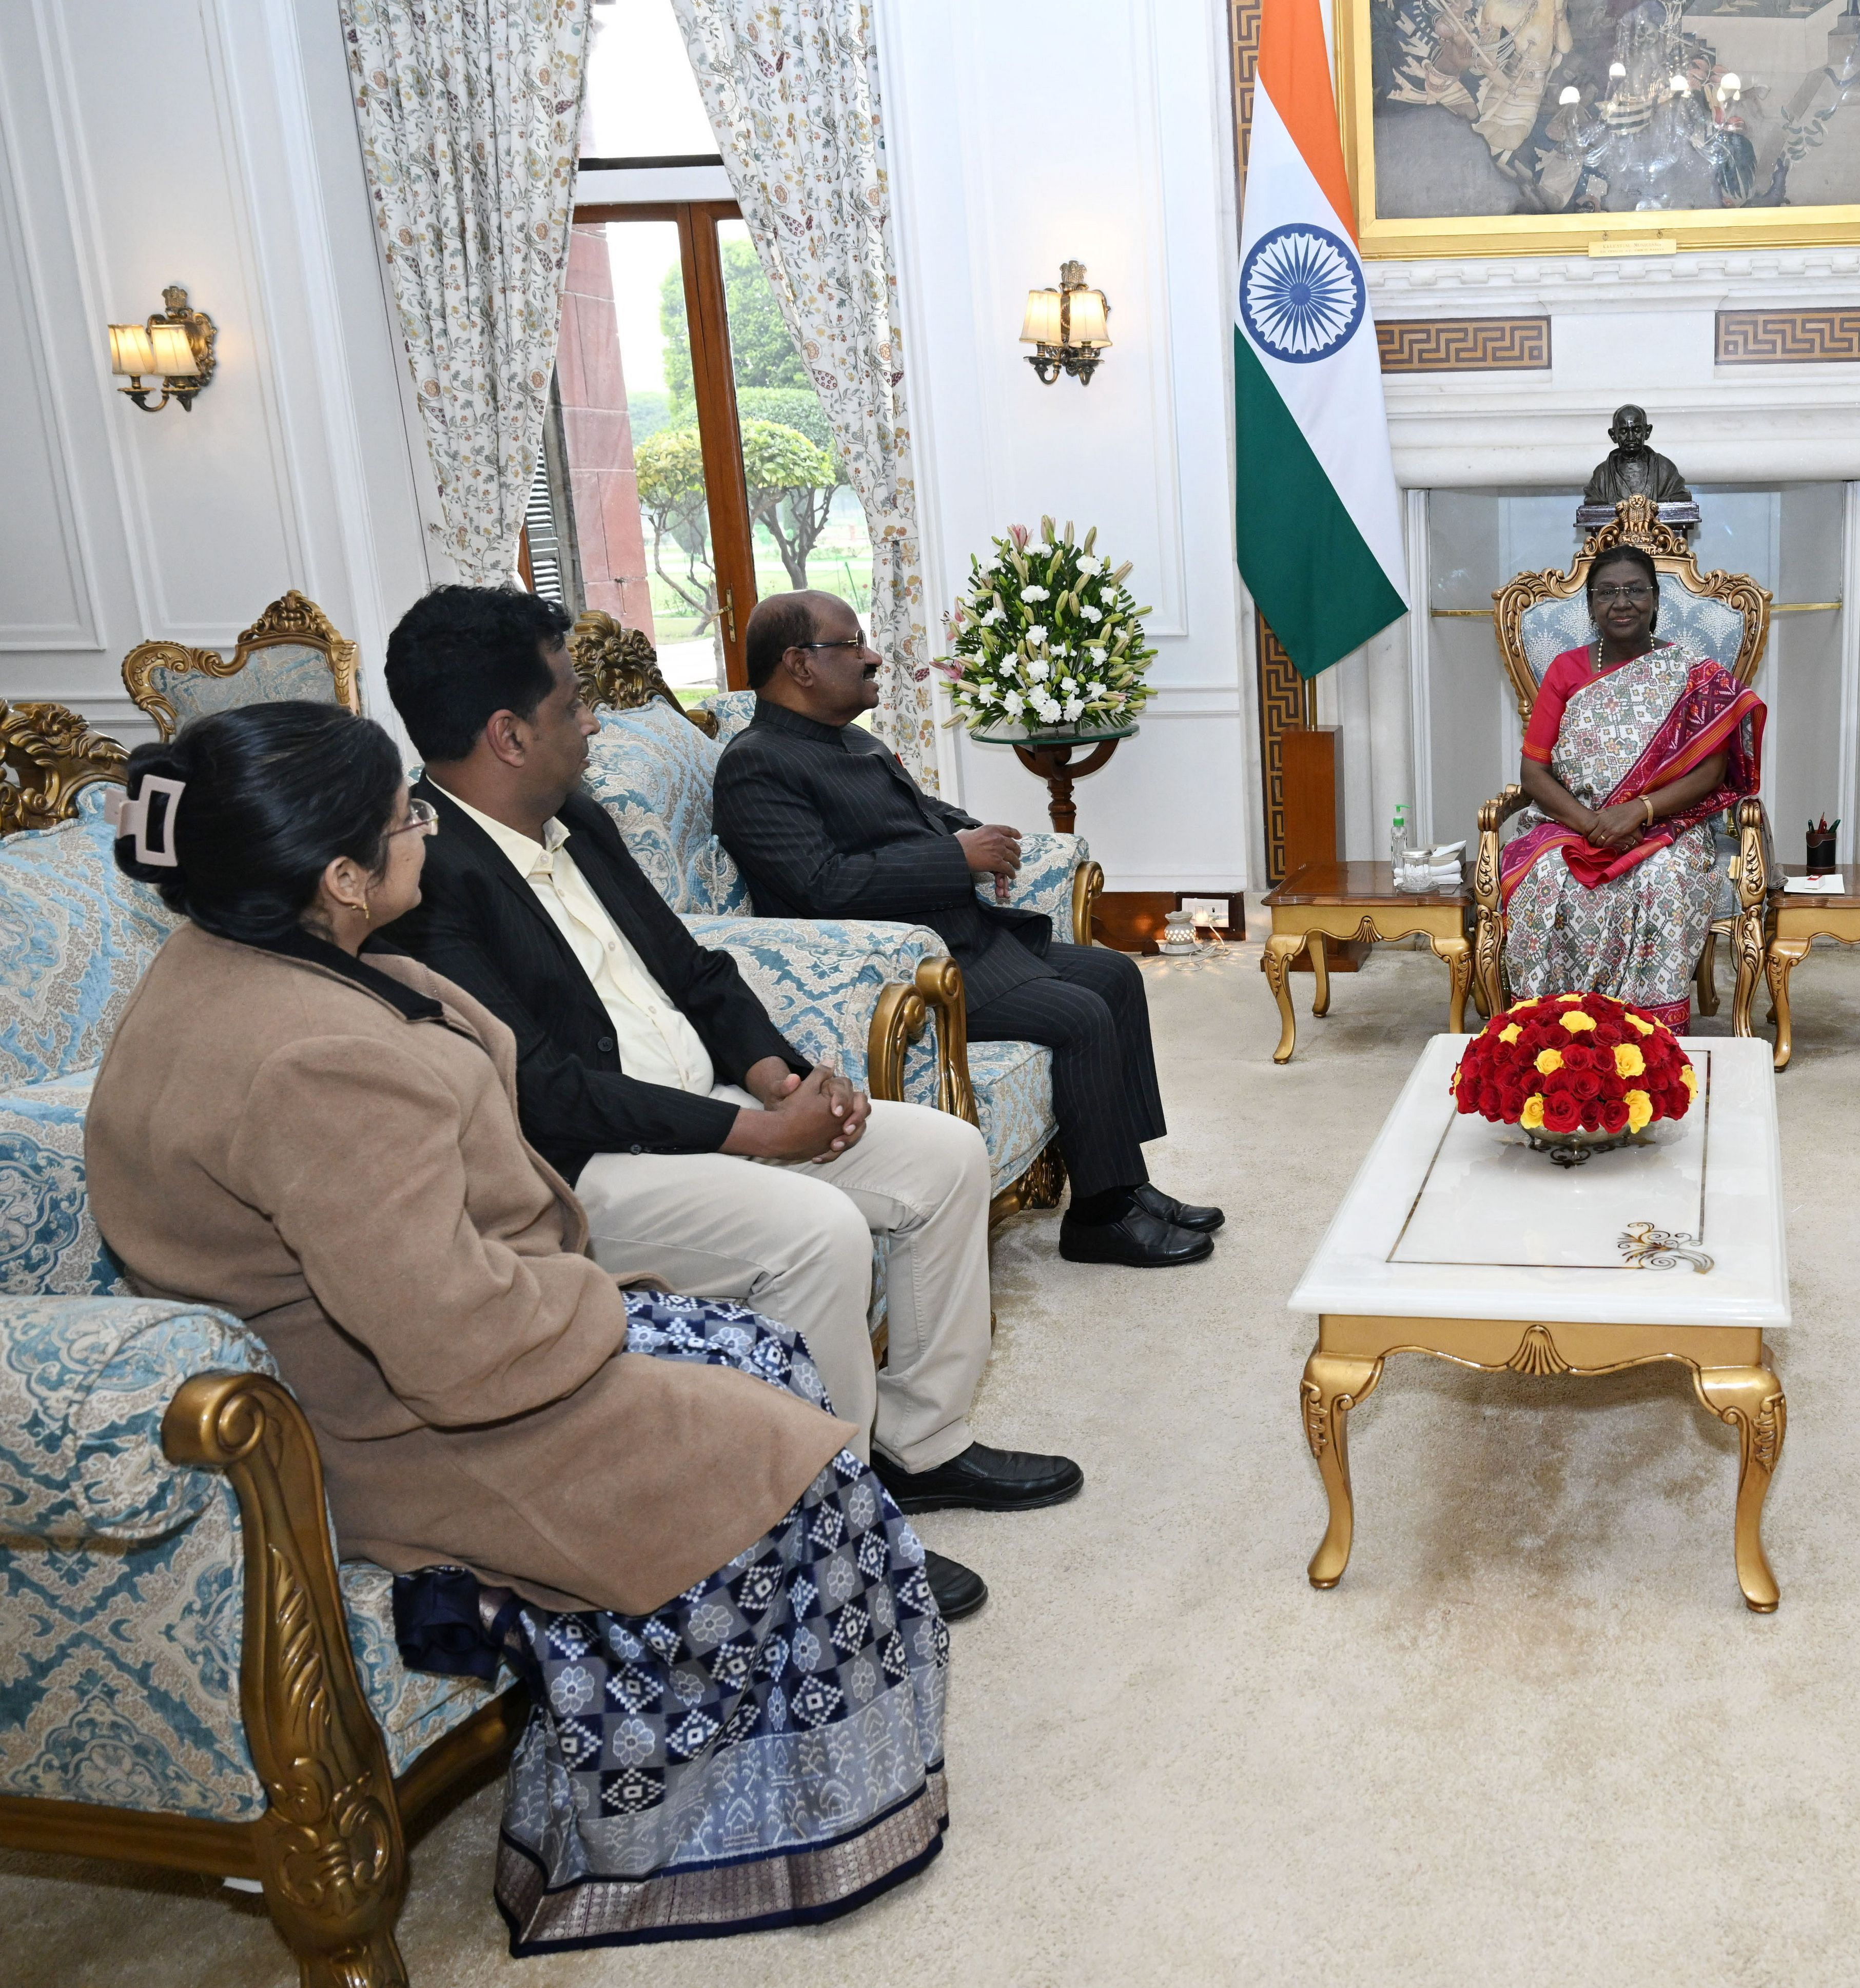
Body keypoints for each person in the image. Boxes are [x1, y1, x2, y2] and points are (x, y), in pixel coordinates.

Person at [84, 702, 955, 1950]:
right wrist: (609, 1301)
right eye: (404, 818)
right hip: (418, 1429)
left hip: (423, 1361)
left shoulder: (237, 960)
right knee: (806, 1472)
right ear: (341, 878)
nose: (425, 831)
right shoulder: (308, 1059)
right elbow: (460, 1345)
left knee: (769, 1363)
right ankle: (701, 1834)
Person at [381, 585, 1081, 1531]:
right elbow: (545, 1091)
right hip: (582, 1167)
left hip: (704, 1106)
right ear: (508, 735)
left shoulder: (577, 817)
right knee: (818, 1230)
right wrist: (754, 1135)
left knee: (945, 1154)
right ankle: (833, 1522)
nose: (593, 724)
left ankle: (923, 1446)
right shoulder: (425, 877)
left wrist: (779, 1076)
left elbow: (694, 968)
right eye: (573, 705)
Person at [711, 591, 1215, 1268]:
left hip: (961, 939)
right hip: (899, 969)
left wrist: (975, 833)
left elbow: (920, 813)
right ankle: (1098, 1219)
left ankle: (1124, 1183)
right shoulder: (756, 763)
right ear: (799, 663)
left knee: (1116, 975)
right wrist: (956, 856)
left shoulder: (851, 739)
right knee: (1079, 1013)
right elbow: (822, 884)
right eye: (853, 644)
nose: (873, 657)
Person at [1498, 542, 1767, 1026]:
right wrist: (1592, 824)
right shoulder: (1565, 669)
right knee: (1547, 877)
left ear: (1655, 598)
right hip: (1571, 820)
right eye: (1606, 592)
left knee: (1661, 878)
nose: (1621, 603)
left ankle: (1648, 1028)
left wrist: (1638, 811)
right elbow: (1533, 772)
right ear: (1590, 604)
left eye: (1634, 590)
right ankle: (1553, 1023)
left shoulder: (1693, 673)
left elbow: (1710, 772)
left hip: (1666, 823)